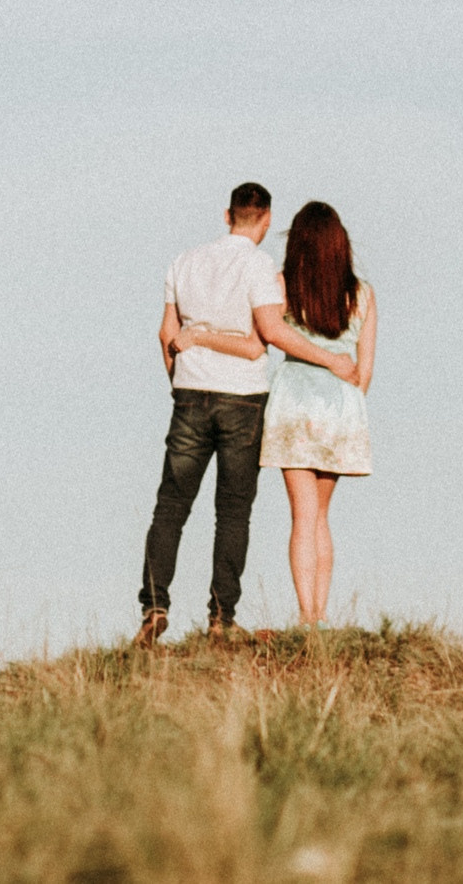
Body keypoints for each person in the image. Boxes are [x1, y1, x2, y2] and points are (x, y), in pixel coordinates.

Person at [135, 182, 348, 647]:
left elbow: (165, 332)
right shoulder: (259, 266)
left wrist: (180, 381)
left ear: (227, 214)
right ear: (267, 220)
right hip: (244, 399)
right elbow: (267, 334)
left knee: (170, 506)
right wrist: (331, 360)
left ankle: (154, 605)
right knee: (232, 512)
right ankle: (221, 618)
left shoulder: (184, 261)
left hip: (190, 393)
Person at [171, 199, 375, 629]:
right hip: (341, 407)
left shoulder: (282, 286)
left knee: (301, 515)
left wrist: (201, 338)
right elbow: (365, 372)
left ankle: (308, 616)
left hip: (295, 405)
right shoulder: (363, 294)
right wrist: (341, 386)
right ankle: (319, 612)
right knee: (321, 517)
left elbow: (261, 338)